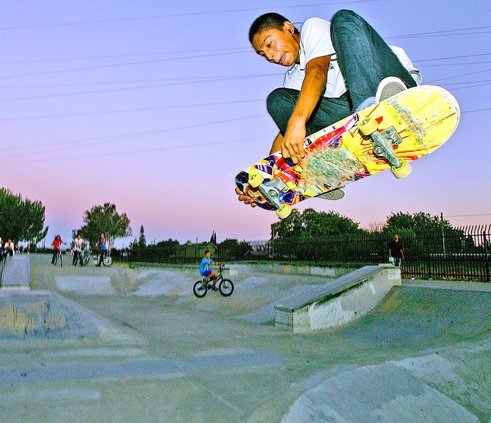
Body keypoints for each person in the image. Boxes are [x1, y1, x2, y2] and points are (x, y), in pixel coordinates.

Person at [236, 9, 421, 206]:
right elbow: (287, 133)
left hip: (390, 85)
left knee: (343, 19)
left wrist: (298, 122)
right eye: (263, 55)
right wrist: (267, 174)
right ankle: (320, 168)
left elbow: (317, 72)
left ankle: (374, 108)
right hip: (354, 113)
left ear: (288, 28)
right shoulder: (293, 80)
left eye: (269, 44)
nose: (270, 56)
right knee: (278, 101)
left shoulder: (312, 28)